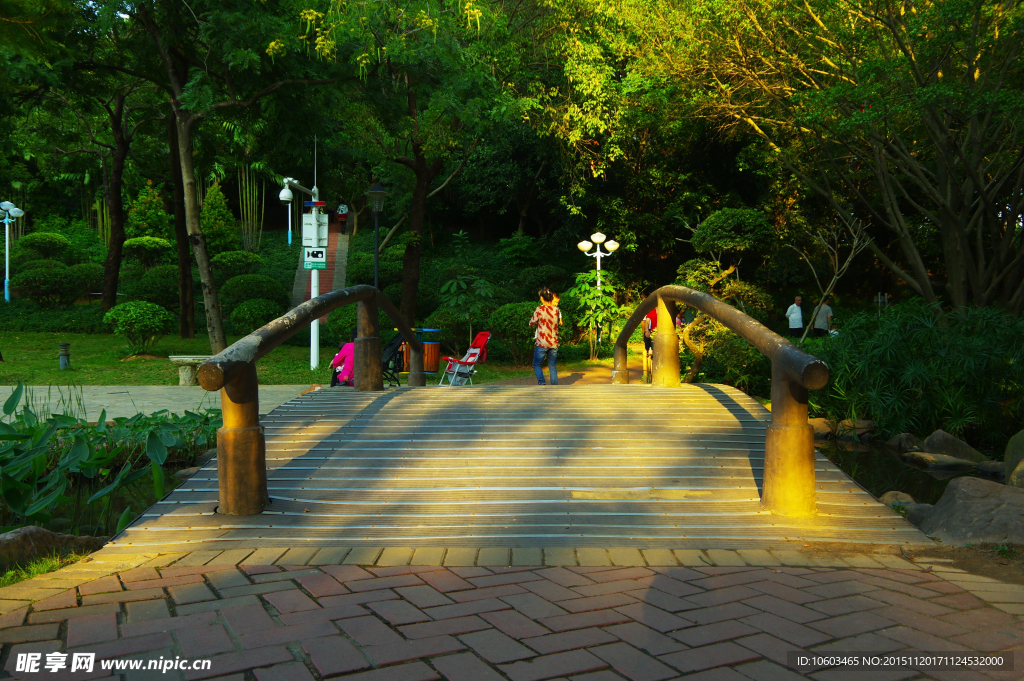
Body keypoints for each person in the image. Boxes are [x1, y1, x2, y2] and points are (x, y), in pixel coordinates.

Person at [529, 288, 562, 385]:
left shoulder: (539, 309)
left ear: (542, 298)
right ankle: (555, 387)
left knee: (536, 364)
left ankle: (542, 383)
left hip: (542, 342)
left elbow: (531, 323)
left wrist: (538, 322)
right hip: (554, 342)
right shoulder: (556, 309)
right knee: (552, 365)